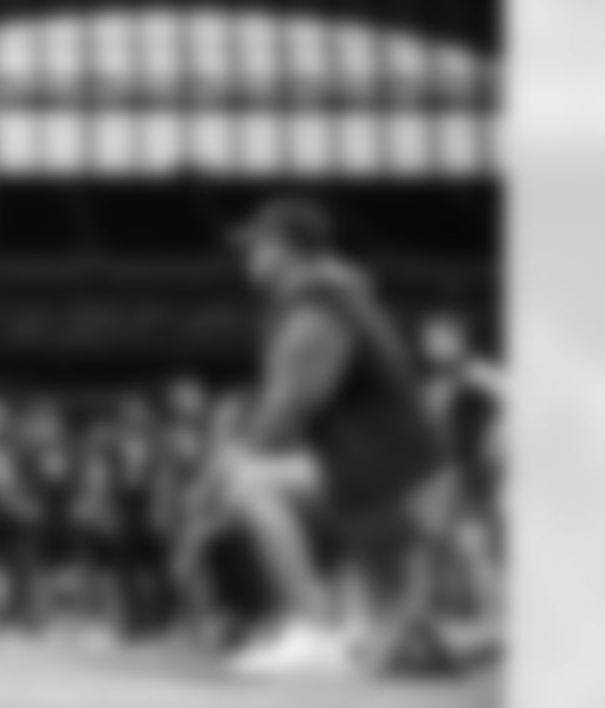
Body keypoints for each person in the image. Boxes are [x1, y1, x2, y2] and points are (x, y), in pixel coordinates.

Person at [216, 197, 449, 676]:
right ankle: (369, 632)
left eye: (256, 246)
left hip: (392, 475)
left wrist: (240, 457)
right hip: (398, 468)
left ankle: (313, 630)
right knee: (386, 648)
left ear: (285, 249)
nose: (249, 258)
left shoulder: (319, 299)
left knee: (248, 485)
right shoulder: (335, 294)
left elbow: (298, 397)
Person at [419, 313, 504, 655]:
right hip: (442, 480)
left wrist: (496, 450)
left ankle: (497, 621)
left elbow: (510, 412)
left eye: (443, 337)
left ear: (461, 339)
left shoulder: (484, 379)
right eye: (430, 340)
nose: (436, 346)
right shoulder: (434, 389)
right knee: (429, 550)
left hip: (474, 478)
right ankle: (431, 624)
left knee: (477, 549)